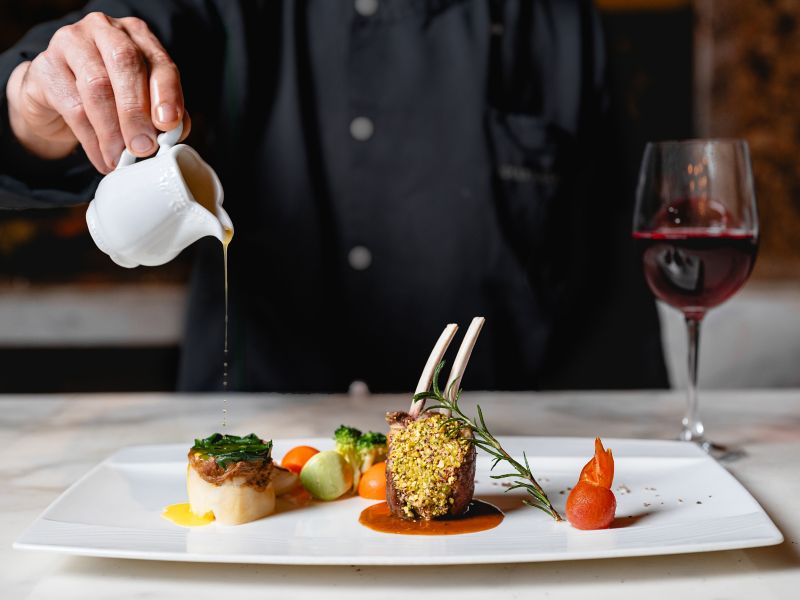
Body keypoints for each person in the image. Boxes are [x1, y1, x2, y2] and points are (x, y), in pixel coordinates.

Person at [0, 0, 668, 392]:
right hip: (255, 460)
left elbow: (613, 299)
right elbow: (114, 43)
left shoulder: (558, 21)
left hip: (500, 470)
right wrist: (36, 105)